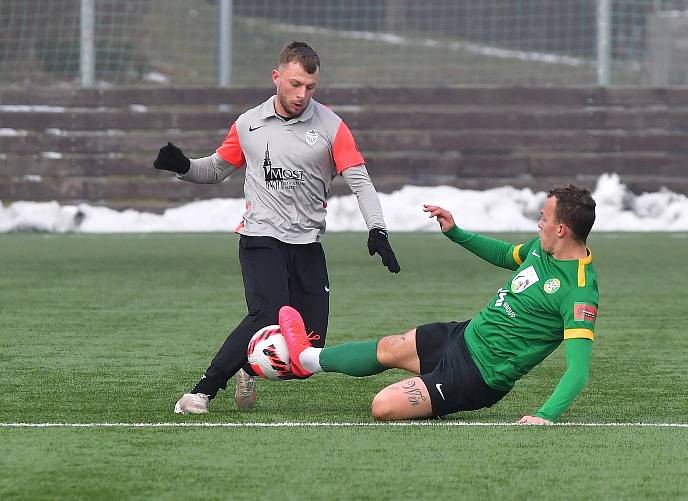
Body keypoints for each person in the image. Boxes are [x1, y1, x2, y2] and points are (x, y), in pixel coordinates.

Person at [161, 41, 401, 414]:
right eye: (294, 84)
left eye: (310, 87)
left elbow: (361, 182)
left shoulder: (332, 127)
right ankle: (201, 393)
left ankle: (248, 364)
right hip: (261, 237)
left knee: (306, 350)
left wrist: (378, 230)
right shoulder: (249, 124)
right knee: (267, 313)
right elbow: (216, 169)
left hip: (307, 244)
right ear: (277, 77)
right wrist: (183, 166)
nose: (302, 94)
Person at [276, 185, 599, 423]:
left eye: (543, 218)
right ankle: (305, 358)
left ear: (561, 229)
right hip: (466, 335)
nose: (538, 224)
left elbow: (578, 370)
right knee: (391, 346)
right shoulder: (542, 249)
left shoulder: (579, 293)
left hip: (477, 376)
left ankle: (432, 395)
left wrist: (545, 415)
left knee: (383, 406)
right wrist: (455, 232)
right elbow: (505, 255)